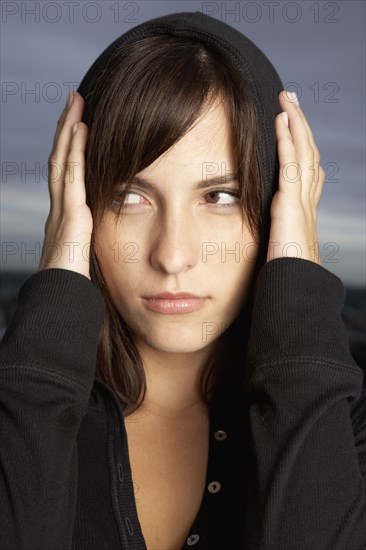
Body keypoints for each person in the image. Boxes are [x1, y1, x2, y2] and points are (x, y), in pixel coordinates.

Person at [1, 10, 365, 550]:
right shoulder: (21, 402)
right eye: (129, 196)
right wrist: (51, 313)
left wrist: (298, 274)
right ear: (76, 206)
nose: (171, 256)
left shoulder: (343, 425)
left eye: (221, 196)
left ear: (278, 207)